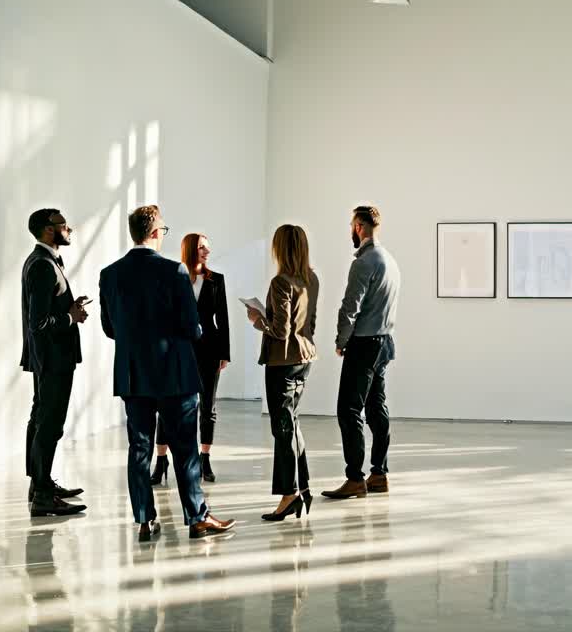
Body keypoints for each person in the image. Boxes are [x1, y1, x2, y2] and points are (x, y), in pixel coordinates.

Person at [100, 204, 235, 542]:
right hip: (174, 374)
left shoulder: (110, 274)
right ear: (157, 233)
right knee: (185, 449)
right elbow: (192, 327)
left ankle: (145, 520)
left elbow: (109, 328)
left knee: (139, 449)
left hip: (133, 376)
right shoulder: (173, 271)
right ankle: (196, 517)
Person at [323, 206, 401, 501]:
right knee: (376, 407)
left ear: (358, 226)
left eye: (351, 226)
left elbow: (350, 307)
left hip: (364, 343)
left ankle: (355, 478)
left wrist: (341, 339)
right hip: (383, 342)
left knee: (349, 409)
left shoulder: (364, 262)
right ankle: (379, 473)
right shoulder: (390, 261)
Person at [247, 225, 319, 521]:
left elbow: (280, 330)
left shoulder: (280, 282)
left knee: (283, 428)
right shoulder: (311, 278)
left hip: (282, 362)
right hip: (305, 356)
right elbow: (309, 322)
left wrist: (257, 319)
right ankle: (302, 489)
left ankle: (290, 494)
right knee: (292, 422)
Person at [20, 209, 87, 517]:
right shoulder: (43, 266)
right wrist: (71, 317)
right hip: (53, 360)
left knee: (41, 420)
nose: (68, 227)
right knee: (49, 424)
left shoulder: (42, 262)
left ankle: (40, 483)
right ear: (49, 230)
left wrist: (69, 309)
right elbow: (39, 323)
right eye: (63, 224)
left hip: (47, 359)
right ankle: (43, 494)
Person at [150, 232, 231, 486]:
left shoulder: (216, 280)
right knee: (166, 406)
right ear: (189, 250)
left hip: (209, 350)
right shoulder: (174, 277)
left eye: (208, 247)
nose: (207, 252)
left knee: (208, 406)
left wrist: (224, 353)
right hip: (178, 349)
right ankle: (161, 460)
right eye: (201, 248)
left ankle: (204, 458)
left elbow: (223, 320)